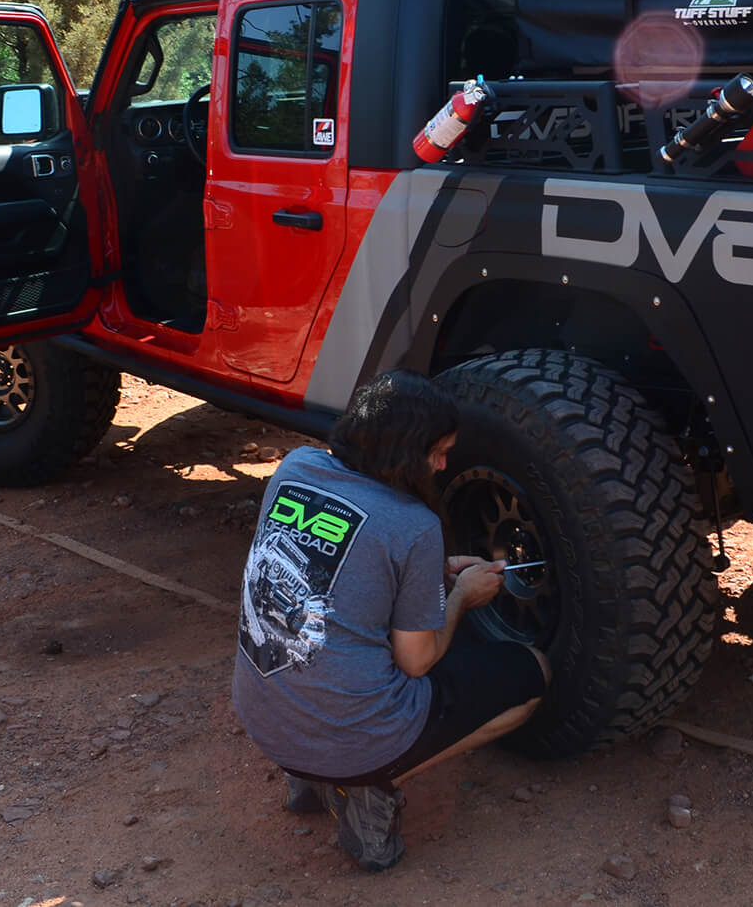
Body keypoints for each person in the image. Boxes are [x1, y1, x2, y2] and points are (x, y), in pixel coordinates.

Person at [231, 369, 550, 871]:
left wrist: (426, 576)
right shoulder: (412, 524)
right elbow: (417, 662)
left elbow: (326, 565)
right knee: (532, 673)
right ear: (403, 450)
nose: (444, 465)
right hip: (353, 740)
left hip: (263, 717)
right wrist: (461, 596)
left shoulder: (295, 468)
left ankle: (310, 773)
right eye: (437, 451)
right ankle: (363, 786)